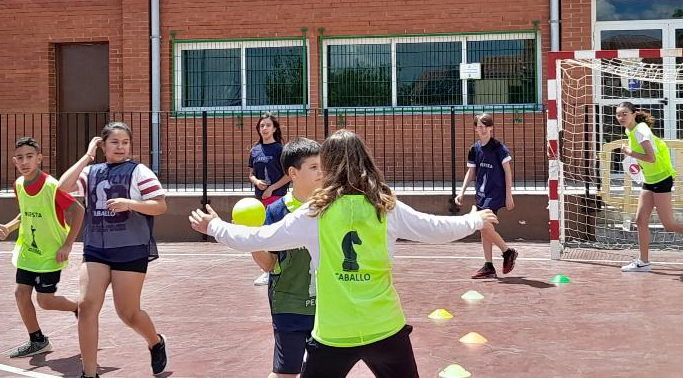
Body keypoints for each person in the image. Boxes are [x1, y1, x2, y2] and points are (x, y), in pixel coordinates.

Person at [190, 129, 498, 378]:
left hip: (334, 334)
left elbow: (260, 237)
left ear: (328, 165)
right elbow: (434, 229)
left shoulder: (316, 212)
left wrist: (216, 227)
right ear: (365, 160)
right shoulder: (384, 206)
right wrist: (474, 220)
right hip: (385, 328)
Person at [58, 122, 168, 378]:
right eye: (114, 142)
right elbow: (62, 187)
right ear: (103, 146)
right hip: (96, 248)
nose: (120, 147)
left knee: (127, 313)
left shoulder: (139, 171)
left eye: (125, 142)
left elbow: (160, 206)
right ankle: (90, 372)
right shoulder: (91, 172)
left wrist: (131, 203)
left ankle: (155, 341)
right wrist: (86, 156)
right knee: (86, 306)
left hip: (130, 248)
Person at [0, 137, 83, 358]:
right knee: (20, 294)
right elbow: (26, 212)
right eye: (20, 158)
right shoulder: (19, 185)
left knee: (45, 301)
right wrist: (9, 227)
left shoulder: (52, 186)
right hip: (28, 252)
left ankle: (79, 307)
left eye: (29, 157)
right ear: (14, 161)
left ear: (39, 158)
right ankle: (37, 340)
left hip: (51, 254)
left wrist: (68, 245)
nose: (24, 161)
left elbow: (79, 210)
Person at [615, 101, 683, 272]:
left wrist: (630, 153)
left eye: (624, 114)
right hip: (649, 180)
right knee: (641, 220)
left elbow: (651, 158)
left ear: (634, 114)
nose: (620, 117)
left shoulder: (641, 131)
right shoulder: (630, 129)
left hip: (661, 179)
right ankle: (643, 261)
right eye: (618, 114)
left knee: (669, 224)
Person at [251, 137, 321, 378]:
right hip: (289, 303)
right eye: (314, 167)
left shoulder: (332, 207)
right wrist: (252, 237)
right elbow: (269, 263)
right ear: (293, 172)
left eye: (323, 167)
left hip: (328, 306)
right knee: (286, 372)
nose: (322, 173)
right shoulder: (278, 211)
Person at [454, 113, 518, 279]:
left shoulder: (498, 148)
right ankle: (489, 265)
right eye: (478, 126)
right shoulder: (474, 149)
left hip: (495, 194)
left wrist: (508, 195)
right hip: (481, 194)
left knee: (482, 225)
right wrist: (461, 192)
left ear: (491, 127)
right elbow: (471, 171)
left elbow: (507, 172)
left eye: (484, 126)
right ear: (475, 128)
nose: (481, 129)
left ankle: (507, 252)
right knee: (484, 229)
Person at [249, 112, 291, 286]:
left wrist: (272, 188)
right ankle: (266, 270)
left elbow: (289, 175)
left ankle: (279, 267)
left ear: (274, 128)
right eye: (261, 126)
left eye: (267, 125)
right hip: (259, 199)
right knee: (261, 234)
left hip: (276, 198)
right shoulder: (255, 150)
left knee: (275, 233)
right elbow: (251, 174)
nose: (264, 128)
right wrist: (256, 181)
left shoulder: (280, 150)